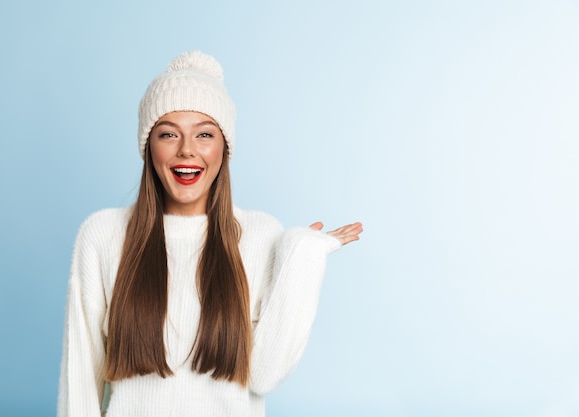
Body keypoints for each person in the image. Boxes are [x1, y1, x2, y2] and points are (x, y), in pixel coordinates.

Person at [57, 50, 362, 417]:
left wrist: (302, 255)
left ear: (224, 148)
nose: (187, 150)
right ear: (148, 146)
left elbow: (264, 376)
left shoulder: (261, 235)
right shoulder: (103, 235)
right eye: (169, 134)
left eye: (204, 134)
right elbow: (80, 379)